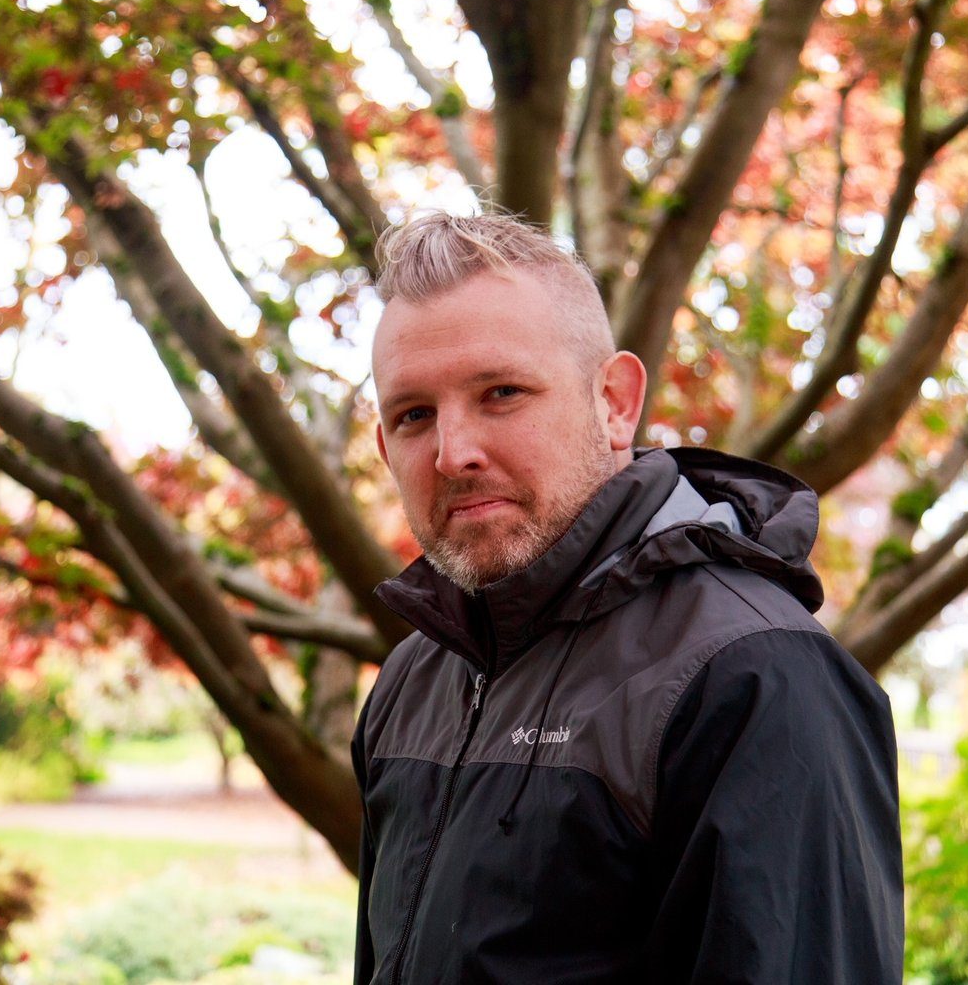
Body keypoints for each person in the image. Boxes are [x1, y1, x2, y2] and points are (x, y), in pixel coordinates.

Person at [354, 211, 903, 984]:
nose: (454, 453)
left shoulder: (755, 677)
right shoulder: (415, 678)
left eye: (502, 393)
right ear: (385, 446)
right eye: (414, 415)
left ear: (614, 402)